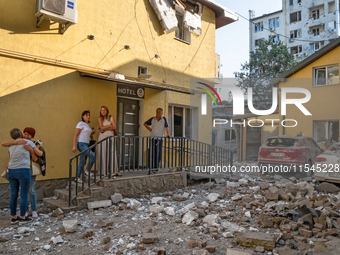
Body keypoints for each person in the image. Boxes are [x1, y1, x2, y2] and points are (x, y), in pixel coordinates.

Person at [2, 128, 41, 224]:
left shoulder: (10, 145)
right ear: (20, 134)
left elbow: (10, 157)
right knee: (24, 195)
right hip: (23, 170)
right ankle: (23, 216)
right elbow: (39, 154)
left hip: (11, 171)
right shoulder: (28, 142)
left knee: (13, 194)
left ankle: (14, 217)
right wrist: (35, 148)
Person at [72, 110, 96, 183]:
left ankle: (77, 177)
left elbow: (87, 135)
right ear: (83, 116)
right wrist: (74, 146)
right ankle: (87, 170)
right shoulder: (80, 124)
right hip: (81, 144)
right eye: (86, 115)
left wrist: (92, 133)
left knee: (82, 162)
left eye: (89, 115)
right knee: (93, 156)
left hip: (86, 144)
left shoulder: (87, 125)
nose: (88, 117)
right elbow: (76, 135)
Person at [97, 106, 120, 177]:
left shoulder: (111, 117)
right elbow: (101, 128)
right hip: (102, 138)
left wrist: (105, 128)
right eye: (101, 110)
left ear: (107, 111)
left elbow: (114, 127)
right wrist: (110, 126)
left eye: (104, 110)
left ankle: (112, 170)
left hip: (110, 137)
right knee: (103, 152)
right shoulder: (99, 119)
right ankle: (104, 171)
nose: (103, 111)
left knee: (111, 152)